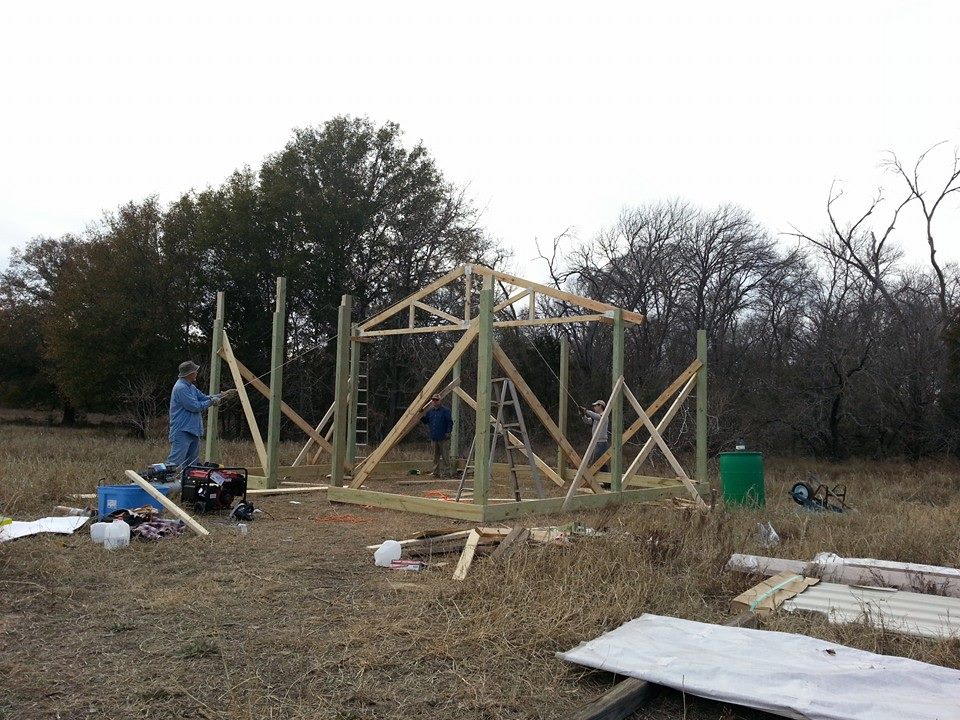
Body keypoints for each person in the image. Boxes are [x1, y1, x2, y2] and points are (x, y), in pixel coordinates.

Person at [166, 361, 236, 469]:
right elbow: (194, 406)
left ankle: (187, 480)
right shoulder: (181, 388)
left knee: (192, 465)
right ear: (189, 374)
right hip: (182, 430)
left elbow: (204, 397)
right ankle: (164, 479)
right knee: (175, 463)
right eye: (195, 371)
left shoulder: (191, 387)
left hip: (193, 430)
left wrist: (223, 395)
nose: (197, 373)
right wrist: (212, 402)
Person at [421, 393, 453, 476]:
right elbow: (426, 421)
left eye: (436, 400)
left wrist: (448, 432)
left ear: (440, 401)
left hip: (443, 437)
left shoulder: (446, 411)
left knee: (445, 456)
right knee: (435, 457)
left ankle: (447, 473)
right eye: (433, 400)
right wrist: (420, 415)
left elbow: (449, 422)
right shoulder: (430, 412)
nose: (435, 401)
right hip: (434, 437)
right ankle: (436, 472)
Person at [579, 399, 610, 472]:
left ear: (600, 406)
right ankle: (606, 479)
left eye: (595, 406)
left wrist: (586, 411)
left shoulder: (604, 415)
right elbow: (587, 421)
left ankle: (590, 477)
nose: (594, 407)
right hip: (596, 442)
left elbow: (597, 417)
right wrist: (583, 415)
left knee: (594, 462)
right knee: (601, 463)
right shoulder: (595, 417)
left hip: (601, 443)